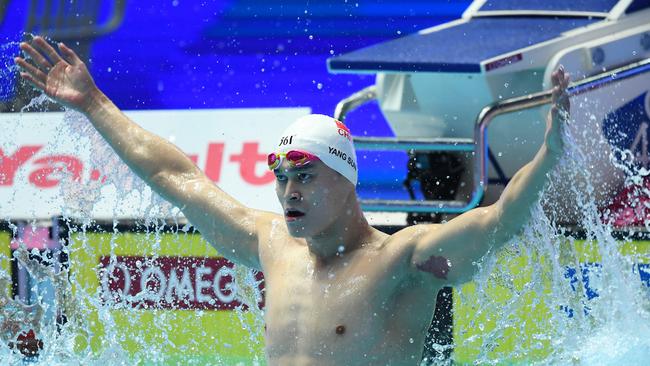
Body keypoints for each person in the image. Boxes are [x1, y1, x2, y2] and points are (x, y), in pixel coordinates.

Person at [14, 36, 570, 365]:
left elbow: (501, 218)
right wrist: (92, 102)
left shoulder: (403, 259)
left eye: (303, 175)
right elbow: (172, 174)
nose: (287, 192)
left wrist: (548, 154)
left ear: (346, 179)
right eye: (279, 176)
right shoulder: (272, 242)